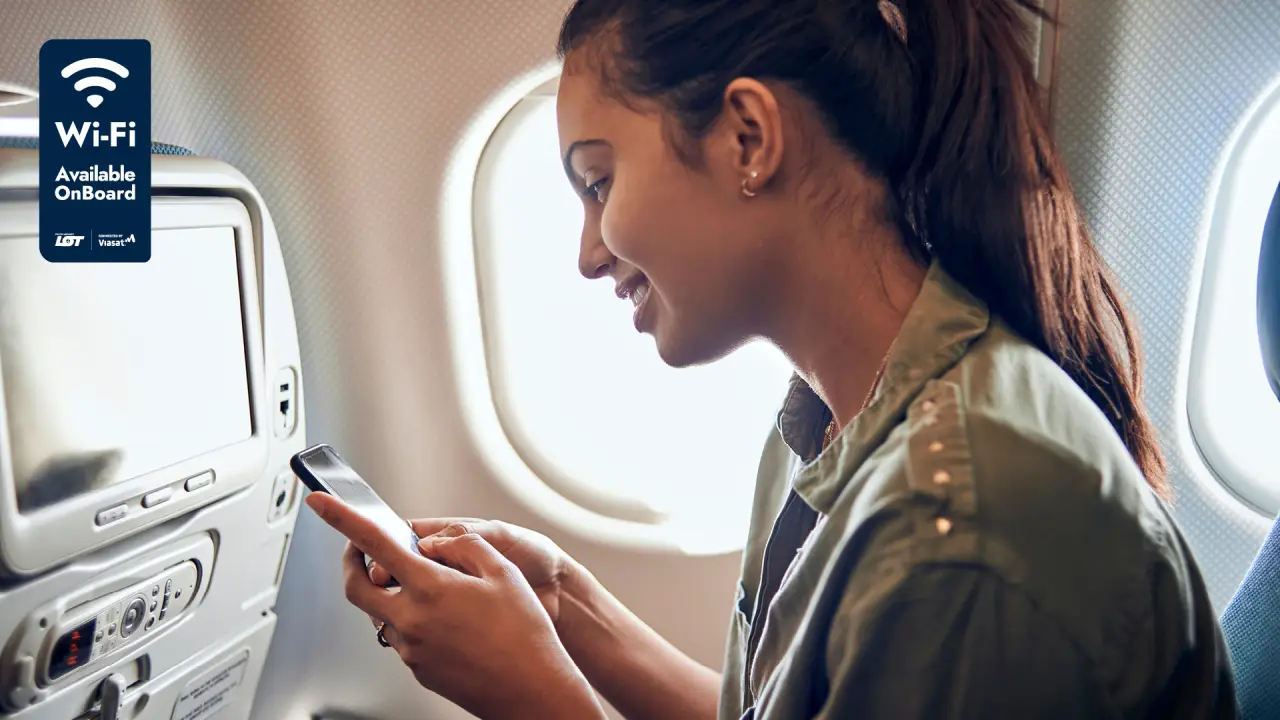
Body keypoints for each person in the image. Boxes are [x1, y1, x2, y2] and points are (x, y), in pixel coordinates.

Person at [306, 0, 1239, 717]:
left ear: (749, 139)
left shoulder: (962, 538)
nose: (588, 254)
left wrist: (533, 696)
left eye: (600, 181)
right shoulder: (826, 420)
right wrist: (565, 605)